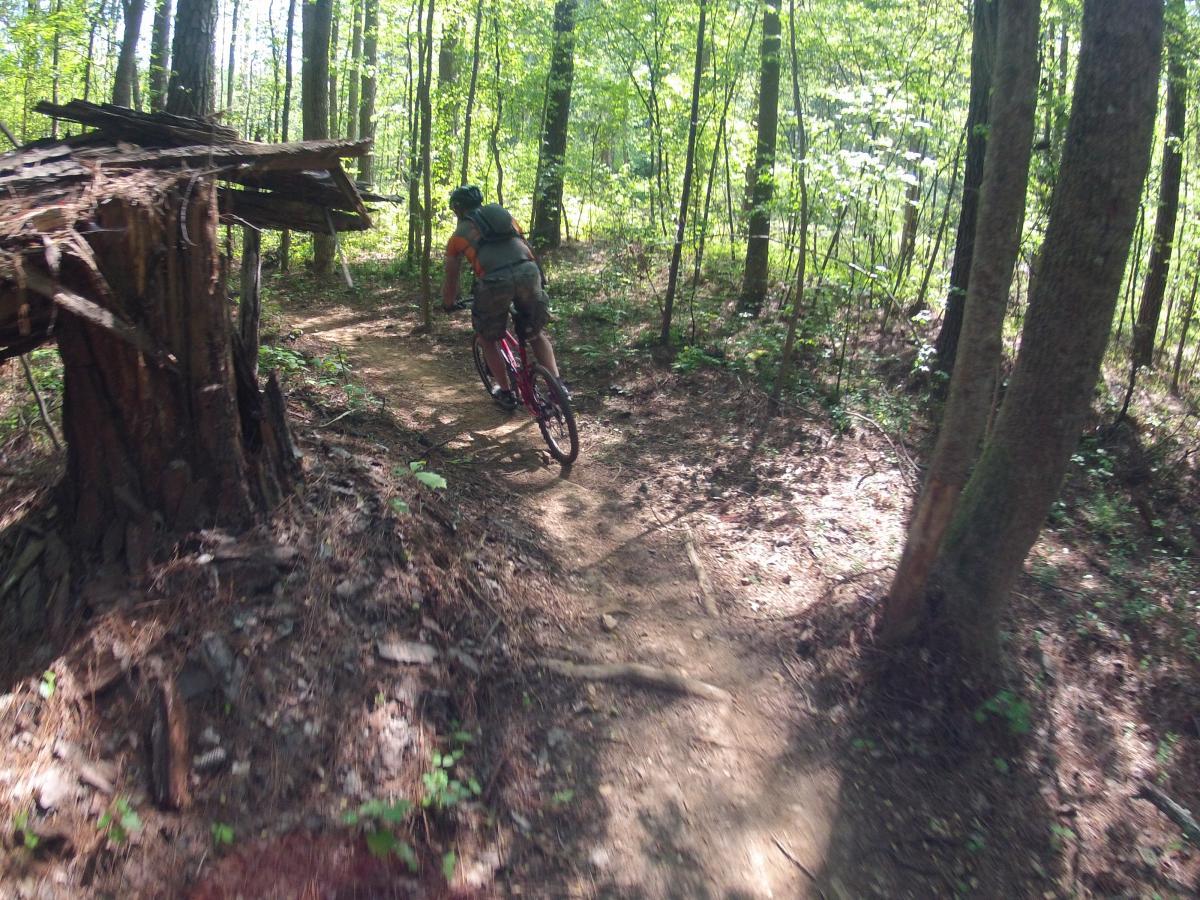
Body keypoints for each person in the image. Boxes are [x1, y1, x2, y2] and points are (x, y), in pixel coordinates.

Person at [441, 185, 561, 407]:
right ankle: (558, 387)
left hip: (495, 282)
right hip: (529, 273)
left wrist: (448, 302)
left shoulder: (458, 236)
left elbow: (451, 276)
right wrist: (540, 279)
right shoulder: (508, 220)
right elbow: (528, 248)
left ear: (458, 209)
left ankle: (506, 392)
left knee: (487, 338)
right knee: (535, 334)